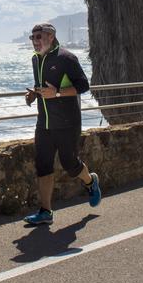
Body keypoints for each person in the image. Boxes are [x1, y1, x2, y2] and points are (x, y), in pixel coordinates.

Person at [22, 22, 101, 225]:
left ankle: (91, 182)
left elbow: (83, 85)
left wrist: (56, 93)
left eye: (38, 37)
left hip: (67, 123)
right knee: (43, 165)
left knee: (70, 164)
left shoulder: (66, 58)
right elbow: (44, 85)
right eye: (32, 38)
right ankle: (45, 212)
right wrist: (34, 93)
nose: (35, 41)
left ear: (50, 36)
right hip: (45, 123)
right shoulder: (35, 59)